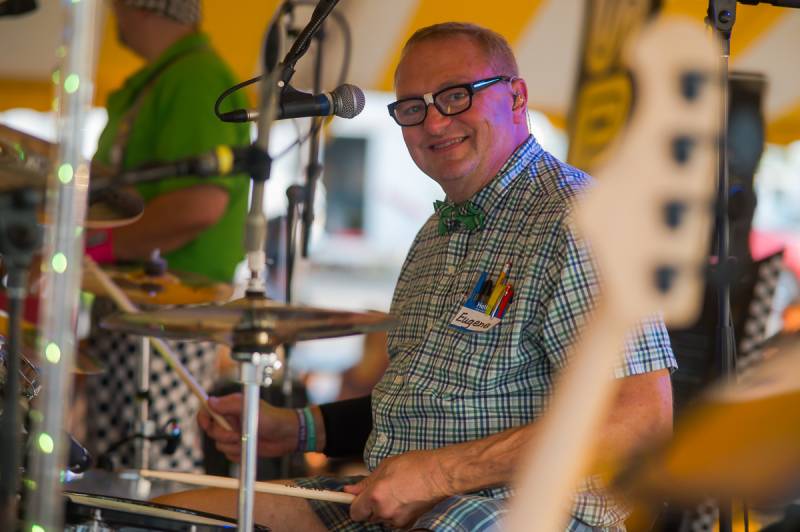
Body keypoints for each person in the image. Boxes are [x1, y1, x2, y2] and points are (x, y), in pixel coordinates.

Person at [157, 22, 675, 530]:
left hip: (533, 509)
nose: (432, 123)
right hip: (404, 498)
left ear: (516, 98)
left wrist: (439, 474)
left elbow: (639, 423)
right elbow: (421, 407)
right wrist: (296, 429)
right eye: (412, 109)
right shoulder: (434, 233)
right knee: (172, 515)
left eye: (455, 95)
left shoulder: (582, 218)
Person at [83, 0, 250, 471]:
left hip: (165, 307)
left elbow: (200, 204)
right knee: (123, 464)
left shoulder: (195, 78)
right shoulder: (172, 76)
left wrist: (96, 247)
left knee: (149, 465)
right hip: (138, 303)